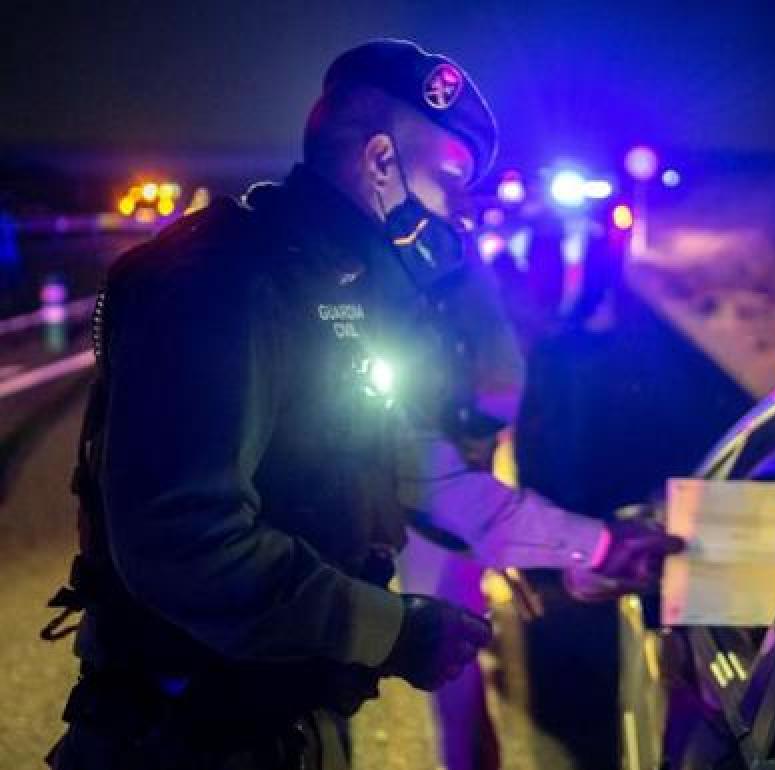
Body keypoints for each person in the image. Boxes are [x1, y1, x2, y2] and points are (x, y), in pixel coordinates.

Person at [43, 39, 681, 770]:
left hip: (284, 722)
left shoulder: (339, 292)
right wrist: (394, 630)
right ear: (380, 162)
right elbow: (186, 540)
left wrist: (593, 545)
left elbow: (421, 474)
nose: (461, 217)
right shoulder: (221, 285)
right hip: (179, 738)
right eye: (450, 183)